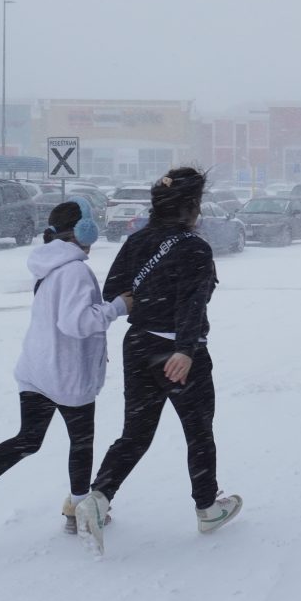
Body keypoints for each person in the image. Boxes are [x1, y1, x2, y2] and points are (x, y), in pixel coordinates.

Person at [0, 198, 132, 544]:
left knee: (28, 439)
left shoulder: (50, 265)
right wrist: (117, 307)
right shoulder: (74, 269)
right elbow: (76, 322)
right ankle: (78, 511)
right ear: (80, 230)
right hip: (67, 375)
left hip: (37, 369)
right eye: (90, 221)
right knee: (81, 443)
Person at [74, 167, 242, 555]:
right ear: (189, 207)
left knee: (136, 433)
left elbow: (113, 290)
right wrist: (184, 348)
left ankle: (97, 500)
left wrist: (147, 297)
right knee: (198, 431)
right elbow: (192, 301)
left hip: (138, 345)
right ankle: (207, 508)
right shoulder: (194, 248)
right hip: (181, 354)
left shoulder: (138, 240)